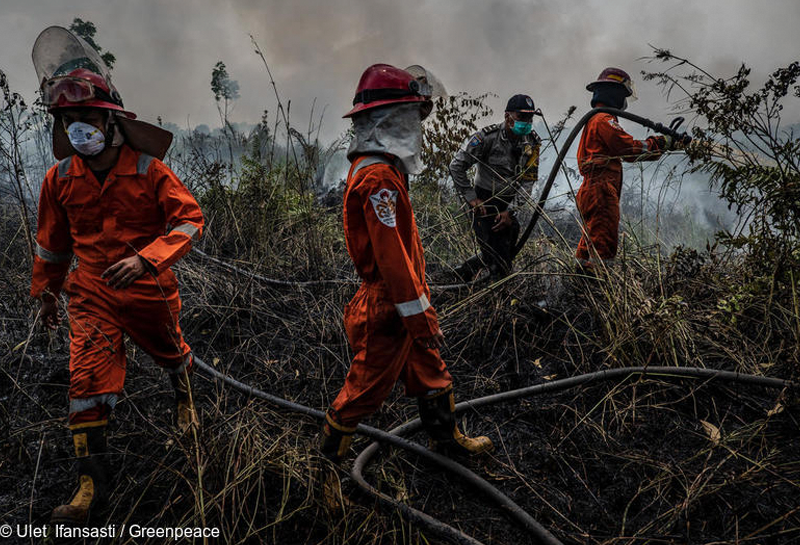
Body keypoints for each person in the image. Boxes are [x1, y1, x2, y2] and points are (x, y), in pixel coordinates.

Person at [30, 26, 204, 525]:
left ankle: (183, 395)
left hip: (150, 288)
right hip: (90, 294)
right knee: (83, 380)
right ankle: (91, 486)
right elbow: (52, 244)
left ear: (109, 120)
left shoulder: (150, 170)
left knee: (172, 354)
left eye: (86, 117)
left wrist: (149, 258)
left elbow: (190, 219)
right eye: (69, 120)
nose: (78, 127)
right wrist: (47, 294)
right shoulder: (59, 178)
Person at [321, 64, 493, 479]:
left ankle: (445, 440)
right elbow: (392, 260)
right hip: (388, 306)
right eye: (413, 116)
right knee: (362, 392)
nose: (419, 125)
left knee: (429, 369)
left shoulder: (383, 168)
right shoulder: (378, 177)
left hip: (401, 297)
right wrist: (419, 317)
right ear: (391, 119)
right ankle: (323, 468)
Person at [575, 67, 676, 267]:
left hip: (593, 189)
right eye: (624, 96)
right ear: (615, 94)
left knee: (590, 243)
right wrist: (661, 143)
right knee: (603, 246)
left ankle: (579, 285)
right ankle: (597, 288)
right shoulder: (604, 120)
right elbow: (629, 149)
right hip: (600, 190)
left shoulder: (595, 119)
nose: (625, 102)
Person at [449, 94, 542, 280]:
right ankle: (497, 296)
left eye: (530, 118)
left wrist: (511, 211)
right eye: (521, 117)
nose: (526, 122)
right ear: (508, 116)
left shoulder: (532, 143)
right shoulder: (486, 138)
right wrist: (472, 198)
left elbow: (528, 182)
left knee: (503, 252)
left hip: (508, 205)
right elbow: (456, 166)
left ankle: (463, 273)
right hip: (484, 204)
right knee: (499, 261)